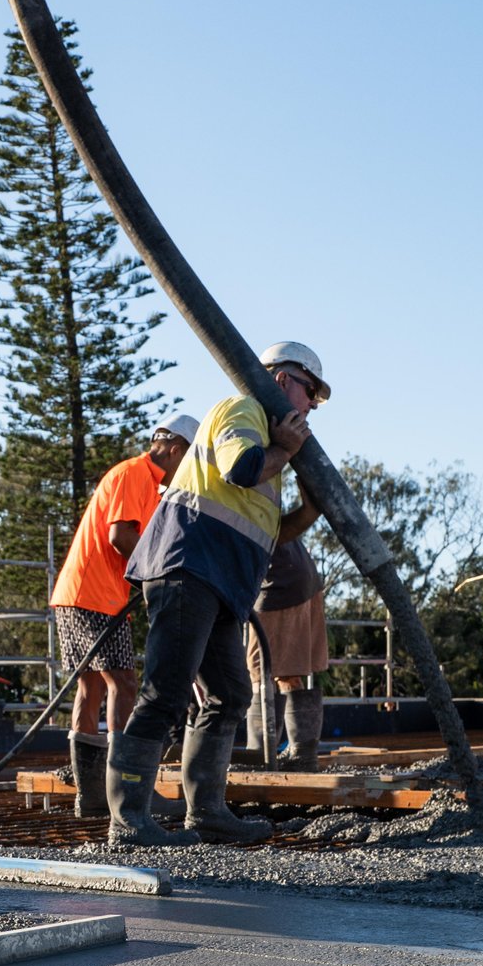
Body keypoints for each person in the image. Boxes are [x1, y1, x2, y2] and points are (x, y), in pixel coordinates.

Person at [108, 342, 324, 847]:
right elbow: (240, 468)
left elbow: (272, 533)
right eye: (310, 392)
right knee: (165, 692)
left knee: (230, 693)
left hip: (222, 585)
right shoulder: (241, 411)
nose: (311, 406)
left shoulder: (269, 452)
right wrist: (287, 453)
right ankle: (127, 820)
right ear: (281, 380)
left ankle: (205, 811)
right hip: (189, 569)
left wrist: (312, 506)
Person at [49, 412, 199, 815]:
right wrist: (162, 573)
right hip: (96, 595)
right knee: (125, 686)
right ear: (175, 448)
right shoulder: (137, 474)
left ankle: (94, 796)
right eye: (188, 459)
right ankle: (126, 792)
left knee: (92, 688)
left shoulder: (147, 484)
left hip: (81, 592)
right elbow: (120, 536)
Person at [243, 490, 327, 772]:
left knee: (260, 670)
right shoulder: (261, 494)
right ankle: (302, 755)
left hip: (278, 588)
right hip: (301, 580)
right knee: (288, 671)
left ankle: (261, 757)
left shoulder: (235, 495)